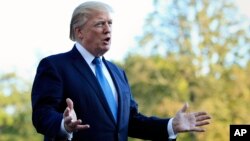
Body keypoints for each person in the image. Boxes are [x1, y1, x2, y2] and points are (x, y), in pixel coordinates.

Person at [31, 1, 211, 141]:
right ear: (79, 32)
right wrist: (64, 125)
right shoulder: (55, 66)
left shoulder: (117, 73)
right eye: (100, 24)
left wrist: (171, 125)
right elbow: (42, 114)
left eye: (110, 23)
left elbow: (131, 121)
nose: (108, 29)